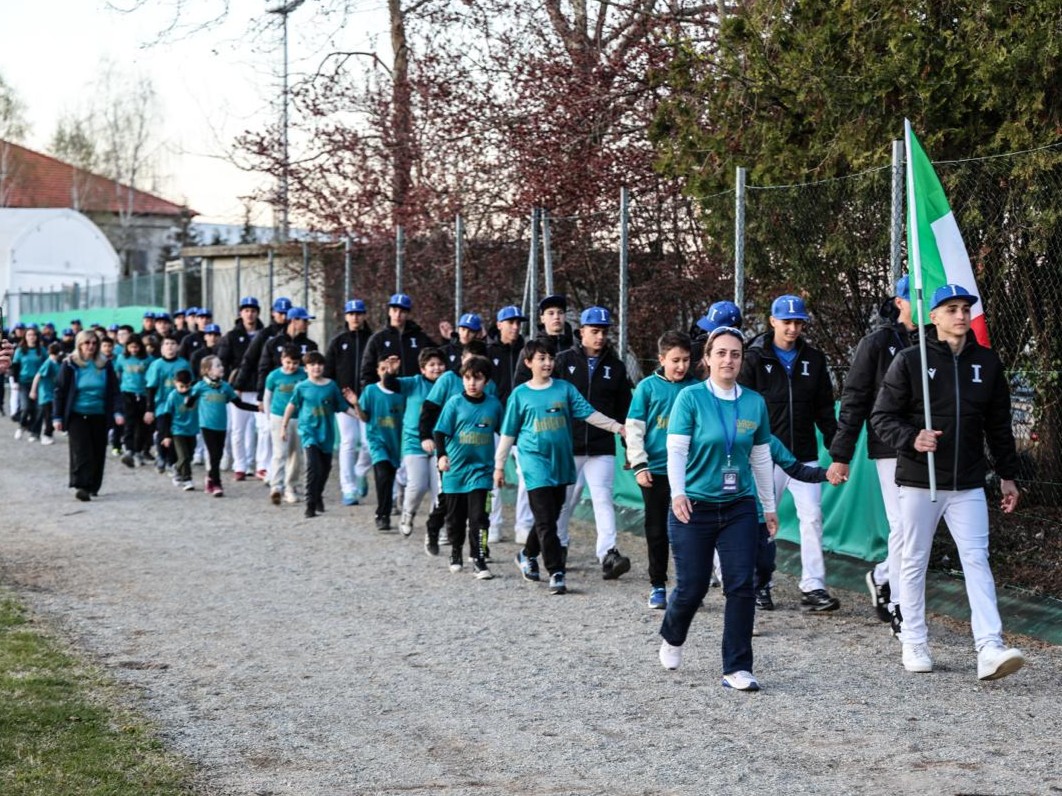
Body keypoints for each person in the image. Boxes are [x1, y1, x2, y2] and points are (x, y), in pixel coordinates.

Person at [871, 284, 1025, 681]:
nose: (960, 315)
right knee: (914, 558)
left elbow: (999, 425)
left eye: (965, 308)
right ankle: (914, 638)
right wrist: (912, 438)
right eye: (951, 309)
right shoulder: (910, 361)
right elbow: (882, 417)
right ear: (933, 316)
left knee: (976, 559)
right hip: (921, 482)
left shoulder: (986, 364)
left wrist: (1008, 476)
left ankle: (989, 646)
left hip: (968, 483)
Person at [658, 326, 777, 691]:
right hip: (694, 506)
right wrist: (678, 494)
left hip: (739, 505)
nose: (728, 360)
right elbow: (676, 450)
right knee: (692, 587)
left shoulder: (754, 403)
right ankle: (673, 634)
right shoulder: (691, 399)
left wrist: (768, 507)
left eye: (736, 354)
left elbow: (760, 457)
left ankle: (737, 667)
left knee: (741, 584)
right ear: (706, 358)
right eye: (721, 353)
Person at [493, 339, 626, 596]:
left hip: (561, 461)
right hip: (533, 462)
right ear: (528, 363)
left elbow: (588, 413)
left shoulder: (564, 389)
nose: (547, 363)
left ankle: (527, 553)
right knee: (545, 519)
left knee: (550, 516)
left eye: (550, 358)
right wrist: (499, 466)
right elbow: (509, 433)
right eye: (541, 359)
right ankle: (556, 571)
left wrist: (616, 426)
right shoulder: (520, 394)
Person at [738, 294, 840, 612]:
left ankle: (813, 587)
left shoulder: (814, 358)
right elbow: (740, 405)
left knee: (812, 517)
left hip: (803, 453)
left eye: (798, 322)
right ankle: (760, 584)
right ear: (772, 321)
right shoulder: (755, 357)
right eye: (787, 322)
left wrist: (837, 450)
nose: (793, 328)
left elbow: (825, 408)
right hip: (765, 454)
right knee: (763, 520)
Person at [827, 275, 918, 630]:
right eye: (915, 298)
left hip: (930, 446)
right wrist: (841, 454)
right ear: (899, 301)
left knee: (916, 527)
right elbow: (855, 398)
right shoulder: (878, 343)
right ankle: (898, 602)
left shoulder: (936, 338)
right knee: (902, 524)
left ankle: (883, 576)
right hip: (890, 445)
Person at [553, 306, 633, 577]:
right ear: (581, 331)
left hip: (601, 445)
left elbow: (625, 412)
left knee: (602, 498)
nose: (600, 336)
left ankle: (608, 554)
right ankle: (558, 545)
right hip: (570, 443)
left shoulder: (616, 367)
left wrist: (629, 448)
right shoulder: (563, 361)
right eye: (594, 331)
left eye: (604, 331)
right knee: (565, 499)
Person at [626, 330, 699, 609]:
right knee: (656, 530)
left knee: (688, 529)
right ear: (661, 359)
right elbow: (634, 429)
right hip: (655, 470)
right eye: (675, 360)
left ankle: (688, 586)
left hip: (689, 472)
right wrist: (639, 464)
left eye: (686, 360)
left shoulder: (696, 388)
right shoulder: (647, 387)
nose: (681, 366)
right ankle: (658, 585)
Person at [434, 355, 503, 578]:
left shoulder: (494, 405)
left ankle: (479, 558)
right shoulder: (454, 403)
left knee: (479, 518)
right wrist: (441, 456)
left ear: (487, 381)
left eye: (478, 378)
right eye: (467, 378)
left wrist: (502, 463)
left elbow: (505, 432)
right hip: (455, 471)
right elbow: (439, 432)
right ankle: (456, 551)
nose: (472, 383)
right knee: (455, 519)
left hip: (481, 471)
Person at [282, 350, 359, 518]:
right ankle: (310, 504)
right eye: (312, 365)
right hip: (309, 432)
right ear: (306, 368)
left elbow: (342, 406)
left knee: (325, 469)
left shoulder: (331, 386)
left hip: (326, 433)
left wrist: (358, 415)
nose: (316, 367)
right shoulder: (301, 387)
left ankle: (318, 496)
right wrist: (284, 425)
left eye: (319, 364)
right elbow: (291, 405)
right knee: (313, 466)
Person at [53, 330, 124, 502]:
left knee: (98, 451)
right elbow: (60, 391)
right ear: (79, 344)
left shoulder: (104, 364)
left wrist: (118, 411)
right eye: (87, 343)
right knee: (81, 450)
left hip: (99, 413)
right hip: (77, 413)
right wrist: (57, 417)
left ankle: (93, 485)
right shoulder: (70, 364)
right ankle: (81, 485)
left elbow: (114, 390)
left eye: (93, 343)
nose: (90, 346)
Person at [256, 306, 318, 481]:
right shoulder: (273, 343)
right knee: (277, 446)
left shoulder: (310, 345)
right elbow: (264, 369)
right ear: (293, 320)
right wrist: (261, 397)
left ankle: (289, 483)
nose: (307, 324)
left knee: (295, 451)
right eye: (304, 320)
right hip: (278, 403)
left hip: (300, 408)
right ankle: (274, 478)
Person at [486, 305, 529, 543]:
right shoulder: (487, 351)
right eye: (510, 322)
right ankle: (493, 523)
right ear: (499, 324)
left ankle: (523, 525)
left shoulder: (526, 351)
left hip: (522, 425)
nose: (515, 326)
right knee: (494, 476)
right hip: (495, 423)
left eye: (518, 323)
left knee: (526, 476)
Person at [324, 298, 373, 505]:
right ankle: (348, 488)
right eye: (351, 314)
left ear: (364, 316)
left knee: (370, 444)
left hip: (367, 400)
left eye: (359, 313)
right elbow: (329, 372)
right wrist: (335, 398)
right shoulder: (338, 341)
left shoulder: (372, 339)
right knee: (348, 442)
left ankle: (360, 471)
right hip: (344, 402)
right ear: (346, 316)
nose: (355, 317)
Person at [188, 355, 258, 496]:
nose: (222, 368)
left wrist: (258, 408)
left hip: (221, 426)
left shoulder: (225, 387)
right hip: (206, 425)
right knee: (214, 454)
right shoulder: (200, 386)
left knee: (218, 455)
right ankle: (217, 484)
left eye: (221, 365)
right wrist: (187, 400)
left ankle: (209, 478)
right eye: (218, 366)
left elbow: (239, 403)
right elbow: (189, 402)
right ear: (208, 370)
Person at [395, 348, 447, 536]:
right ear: (422, 369)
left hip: (440, 444)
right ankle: (408, 513)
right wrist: (390, 373)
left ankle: (437, 528)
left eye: (440, 364)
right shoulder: (415, 383)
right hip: (414, 442)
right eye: (431, 365)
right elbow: (392, 385)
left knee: (439, 489)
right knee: (417, 485)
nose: (437, 368)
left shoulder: (448, 384)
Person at [353, 355, 406, 530]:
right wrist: (356, 405)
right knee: (382, 475)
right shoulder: (370, 391)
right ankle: (382, 515)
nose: (385, 372)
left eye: (388, 369)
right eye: (382, 369)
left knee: (389, 478)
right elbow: (364, 417)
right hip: (377, 441)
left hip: (395, 442)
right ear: (377, 371)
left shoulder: (402, 391)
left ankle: (388, 507)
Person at [217, 296, 265, 481]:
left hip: (259, 387)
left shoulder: (264, 334)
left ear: (257, 313)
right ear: (240, 313)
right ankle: (240, 465)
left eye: (253, 310)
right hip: (239, 388)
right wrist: (231, 382)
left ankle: (260, 464)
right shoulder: (232, 336)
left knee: (262, 428)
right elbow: (223, 361)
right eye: (246, 310)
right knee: (238, 429)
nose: (249, 314)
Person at [359, 293, 439, 385]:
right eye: (394, 310)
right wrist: (369, 393)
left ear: (408, 313)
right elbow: (367, 371)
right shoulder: (378, 339)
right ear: (389, 311)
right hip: (388, 393)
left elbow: (436, 358)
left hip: (414, 391)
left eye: (402, 311)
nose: (398, 315)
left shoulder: (420, 338)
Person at [264, 346, 306, 506]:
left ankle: (291, 486)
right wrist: (269, 418)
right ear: (282, 360)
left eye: (295, 363)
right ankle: (276, 486)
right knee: (279, 453)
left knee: (295, 454)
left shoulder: (303, 375)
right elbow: (268, 397)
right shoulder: (274, 376)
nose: (291, 366)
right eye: (288, 362)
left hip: (298, 417)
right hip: (279, 417)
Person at [144, 337, 192, 475]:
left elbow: (191, 384)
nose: (170, 346)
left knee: (175, 432)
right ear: (161, 348)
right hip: (162, 405)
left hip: (179, 405)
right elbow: (151, 388)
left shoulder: (183, 364)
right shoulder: (156, 365)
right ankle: (161, 455)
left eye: (173, 343)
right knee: (164, 430)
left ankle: (172, 461)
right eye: (166, 344)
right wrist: (149, 409)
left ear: (177, 347)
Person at [156, 370, 199, 491]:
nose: (184, 389)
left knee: (189, 455)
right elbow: (167, 416)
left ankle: (177, 469)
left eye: (187, 386)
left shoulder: (194, 394)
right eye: (181, 386)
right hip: (177, 431)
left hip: (192, 430)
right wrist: (166, 435)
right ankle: (187, 479)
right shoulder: (173, 396)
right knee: (183, 455)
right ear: (175, 383)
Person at [114, 334, 153, 467]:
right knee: (129, 423)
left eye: (136, 347)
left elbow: (151, 376)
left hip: (142, 394)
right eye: (131, 347)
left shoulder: (148, 359)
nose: (133, 350)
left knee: (142, 425)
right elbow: (117, 373)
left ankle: (138, 451)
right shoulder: (122, 358)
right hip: (127, 393)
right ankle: (129, 450)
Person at [13, 325, 46, 441]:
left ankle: (35, 432)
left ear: (37, 337)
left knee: (39, 408)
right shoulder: (20, 350)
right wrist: (16, 382)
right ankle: (22, 425)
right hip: (24, 382)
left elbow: (46, 365)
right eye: (29, 335)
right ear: (25, 337)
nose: (32, 337)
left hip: (39, 383)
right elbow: (15, 367)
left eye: (34, 335)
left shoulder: (41, 350)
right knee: (26, 407)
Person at [28, 342, 63, 445]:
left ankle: (38, 433)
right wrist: (33, 390)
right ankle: (46, 435)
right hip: (46, 395)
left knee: (46, 415)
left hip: (53, 394)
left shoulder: (57, 363)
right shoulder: (49, 363)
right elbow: (38, 376)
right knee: (49, 416)